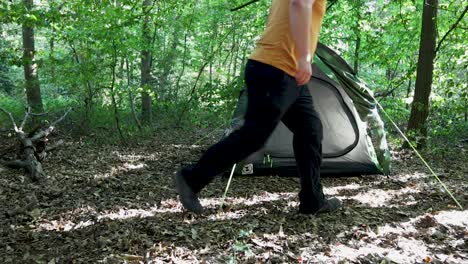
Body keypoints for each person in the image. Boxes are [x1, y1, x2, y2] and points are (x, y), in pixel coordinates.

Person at [175, 0, 341, 214]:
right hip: (275, 69)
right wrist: (303, 57)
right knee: (253, 136)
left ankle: (312, 200)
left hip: (288, 74)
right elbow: (300, 4)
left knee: (310, 129)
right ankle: (191, 178)